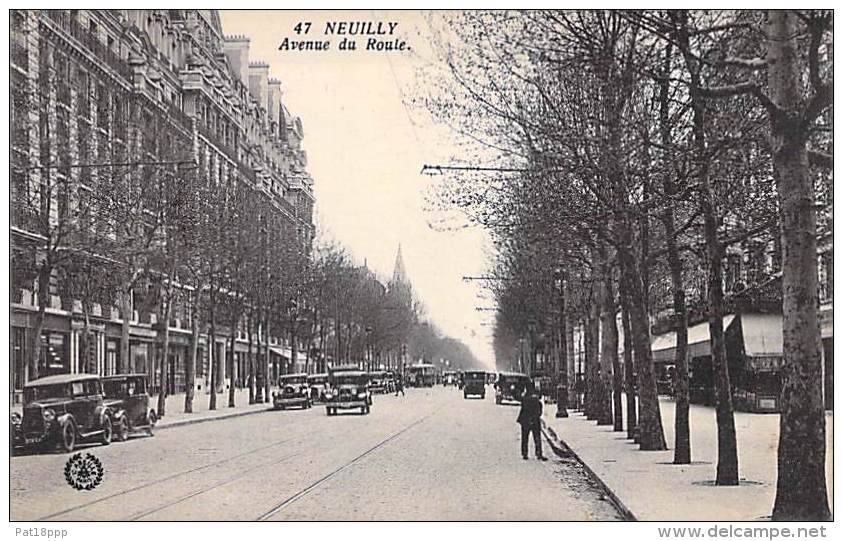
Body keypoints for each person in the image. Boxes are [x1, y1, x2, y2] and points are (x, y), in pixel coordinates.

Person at [517, 381, 547, 461]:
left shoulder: (525, 398)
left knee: (525, 437)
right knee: (537, 437)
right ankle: (539, 453)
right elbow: (540, 410)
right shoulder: (536, 399)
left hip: (525, 420)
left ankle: (525, 453)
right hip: (535, 419)